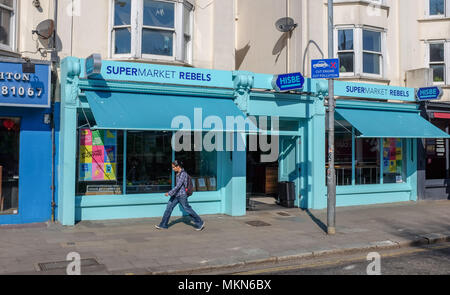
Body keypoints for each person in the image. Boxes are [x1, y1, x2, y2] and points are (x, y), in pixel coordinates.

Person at [155, 160, 205, 231]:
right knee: (168, 208)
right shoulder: (178, 174)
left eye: (173, 167)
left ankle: (200, 223)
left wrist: (169, 192)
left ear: (178, 166)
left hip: (182, 195)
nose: (173, 169)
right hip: (175, 195)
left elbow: (178, 185)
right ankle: (163, 225)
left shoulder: (183, 174)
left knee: (187, 209)